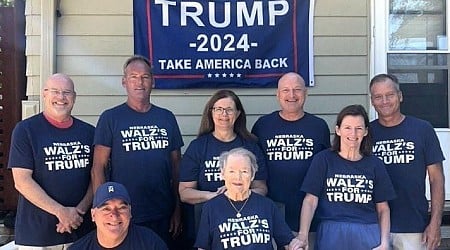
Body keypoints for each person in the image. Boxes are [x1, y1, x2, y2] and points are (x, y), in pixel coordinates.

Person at [91, 55, 184, 248]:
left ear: (153, 81)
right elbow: (98, 168)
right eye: (133, 77)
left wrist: (177, 209)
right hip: (123, 215)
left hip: (162, 213)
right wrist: (101, 211)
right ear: (124, 82)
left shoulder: (166, 118)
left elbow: (177, 169)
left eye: (145, 77)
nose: (139, 82)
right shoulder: (111, 118)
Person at [8, 73, 95, 249]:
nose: (61, 97)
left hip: (80, 231)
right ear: (44, 94)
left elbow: (96, 176)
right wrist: (61, 212)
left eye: (67, 92)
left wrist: (78, 212)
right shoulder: (26, 130)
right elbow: (22, 181)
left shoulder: (89, 132)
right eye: (55, 91)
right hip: (37, 235)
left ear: (74, 97)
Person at [293, 104, 396, 250]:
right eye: (347, 127)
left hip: (367, 230)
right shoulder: (323, 160)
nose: (353, 134)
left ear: (366, 131)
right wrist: (303, 235)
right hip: (332, 231)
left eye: (359, 128)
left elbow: (383, 208)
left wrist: (384, 242)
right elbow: (310, 201)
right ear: (338, 130)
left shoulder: (375, 164)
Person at [178, 89, 268, 247]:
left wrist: (235, 194)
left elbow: (261, 188)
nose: (223, 114)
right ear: (211, 113)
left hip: (243, 227)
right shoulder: (198, 147)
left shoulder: (251, 146)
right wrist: (213, 196)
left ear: (238, 113)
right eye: (218, 109)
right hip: (205, 224)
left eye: (229, 109)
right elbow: (185, 193)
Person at [369, 73, 445, 250]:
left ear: (400, 96)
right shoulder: (365, 133)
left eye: (390, 95)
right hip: (373, 225)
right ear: (372, 101)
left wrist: (435, 223)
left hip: (413, 225)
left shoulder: (422, 129)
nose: (385, 101)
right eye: (378, 97)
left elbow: (436, 179)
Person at [251, 72, 330, 235]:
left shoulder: (319, 126)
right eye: (286, 90)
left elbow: (327, 171)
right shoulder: (263, 125)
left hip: (310, 216)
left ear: (305, 94)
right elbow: (253, 166)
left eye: (297, 90)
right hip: (271, 214)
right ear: (278, 94)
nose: (292, 95)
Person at [195, 147, 301, 250]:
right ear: (222, 174)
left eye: (244, 171)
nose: (238, 177)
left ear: (252, 175)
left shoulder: (267, 206)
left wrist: (296, 246)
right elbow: (203, 247)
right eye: (232, 171)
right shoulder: (211, 208)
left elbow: (287, 242)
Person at [69, 182, 168, 250]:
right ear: (93, 215)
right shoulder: (79, 248)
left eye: (121, 208)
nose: (114, 216)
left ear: (130, 212)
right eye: (106, 209)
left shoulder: (150, 243)